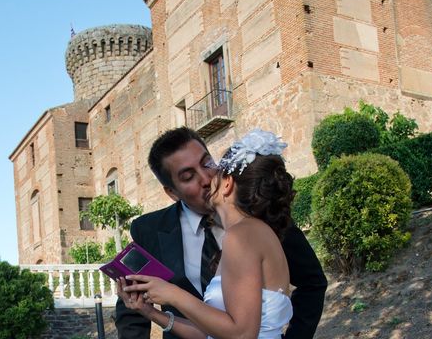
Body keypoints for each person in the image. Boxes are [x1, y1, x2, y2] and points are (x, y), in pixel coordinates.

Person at [114, 127, 327, 339]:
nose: (206, 178)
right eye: (188, 176)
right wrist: (150, 312)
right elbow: (133, 309)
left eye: (207, 163)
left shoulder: (263, 219)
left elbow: (312, 283)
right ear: (172, 192)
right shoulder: (148, 229)